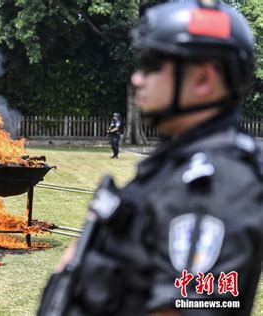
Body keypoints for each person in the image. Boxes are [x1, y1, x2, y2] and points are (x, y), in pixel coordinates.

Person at [38, 0, 262, 315]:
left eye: (151, 65)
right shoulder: (176, 164)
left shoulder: (216, 187)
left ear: (203, 80)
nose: (137, 79)